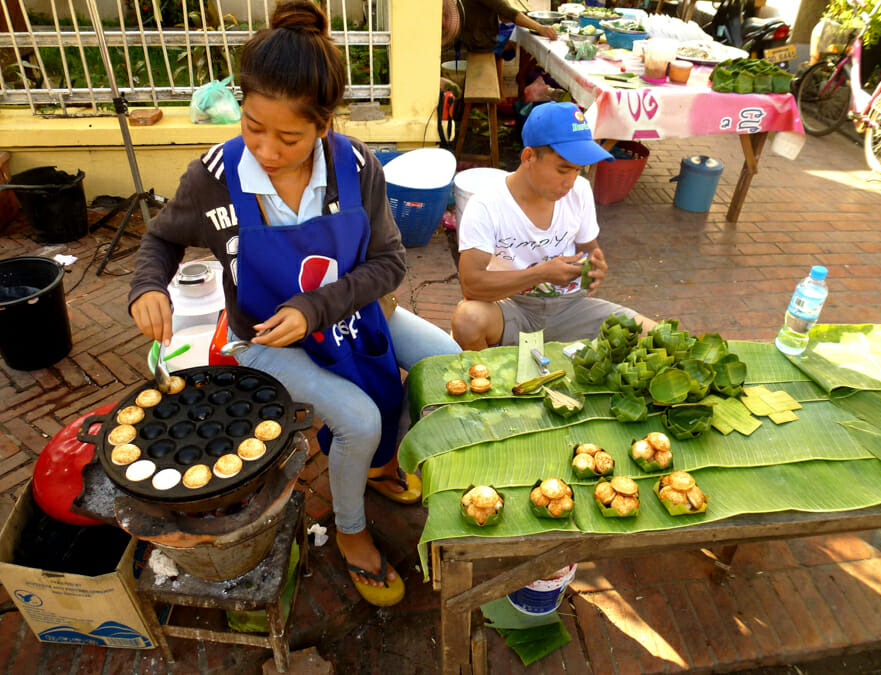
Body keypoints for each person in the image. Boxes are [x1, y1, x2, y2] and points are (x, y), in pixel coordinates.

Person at [128, 0, 460, 608]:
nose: (266, 149)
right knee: (357, 419)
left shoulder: (356, 165)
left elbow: (389, 264)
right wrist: (147, 288)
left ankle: (385, 466)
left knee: (448, 360)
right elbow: (160, 238)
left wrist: (316, 307)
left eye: (289, 136)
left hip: (354, 316)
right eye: (253, 126)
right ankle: (352, 531)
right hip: (264, 341)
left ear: (323, 125)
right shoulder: (214, 176)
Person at [451, 101, 656, 350]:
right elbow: (471, 285)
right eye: (563, 170)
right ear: (529, 157)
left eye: (578, 171)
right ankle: (491, 382)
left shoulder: (579, 191)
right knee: (467, 319)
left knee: (653, 335)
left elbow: (589, 248)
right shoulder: (486, 205)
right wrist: (540, 274)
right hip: (512, 309)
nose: (570, 182)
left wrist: (595, 267)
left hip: (571, 308)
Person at [459, 0, 557, 88]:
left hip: (475, 35)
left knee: (514, 32)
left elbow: (504, 16)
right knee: (513, 42)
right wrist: (540, 28)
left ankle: (516, 79)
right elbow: (509, 13)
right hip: (478, 41)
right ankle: (521, 77)